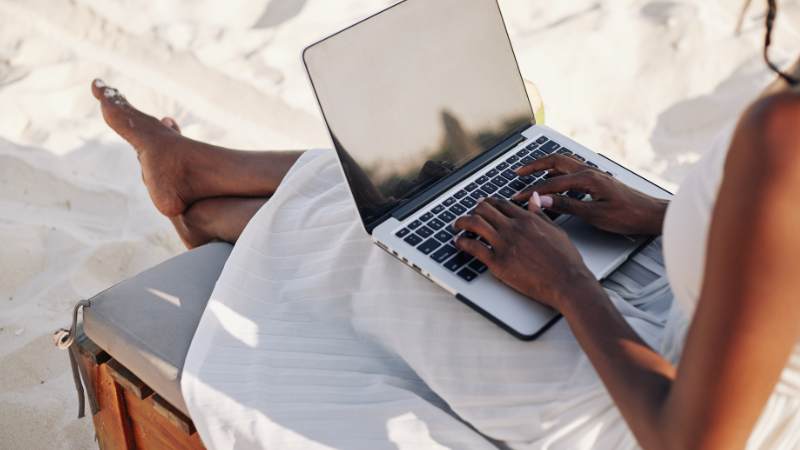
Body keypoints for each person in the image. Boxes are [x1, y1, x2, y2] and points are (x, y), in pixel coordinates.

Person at [90, 8, 800, 450]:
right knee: (442, 205)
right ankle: (204, 188)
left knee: (406, 239)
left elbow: (694, 442)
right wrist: (660, 213)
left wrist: (568, 281)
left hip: (638, 406)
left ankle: (204, 193)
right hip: (711, 320)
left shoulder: (786, 133)